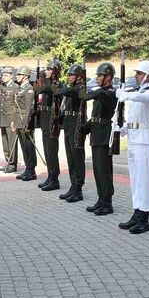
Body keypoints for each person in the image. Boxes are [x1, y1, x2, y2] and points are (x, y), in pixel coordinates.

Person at [116, 60, 149, 234]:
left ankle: (144, 218)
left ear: (148, 75)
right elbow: (134, 117)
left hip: (144, 141)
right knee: (135, 180)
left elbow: (143, 98)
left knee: (144, 181)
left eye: (139, 74)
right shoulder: (138, 92)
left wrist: (125, 94)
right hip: (134, 140)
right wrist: (123, 127)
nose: (136, 76)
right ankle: (136, 212)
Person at [83, 62, 118, 216]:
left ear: (108, 77)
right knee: (97, 169)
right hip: (96, 132)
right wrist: (87, 126)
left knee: (104, 169)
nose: (97, 78)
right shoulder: (102, 91)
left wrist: (87, 94)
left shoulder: (110, 92)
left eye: (100, 75)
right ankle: (101, 199)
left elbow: (102, 95)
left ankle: (107, 202)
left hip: (104, 134)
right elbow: (96, 115)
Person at [57, 64, 87, 202]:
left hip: (77, 124)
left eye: (71, 75)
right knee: (70, 157)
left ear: (79, 77)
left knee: (77, 157)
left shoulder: (80, 89)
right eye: (68, 75)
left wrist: (57, 90)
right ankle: (73, 185)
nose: (68, 77)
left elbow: (71, 92)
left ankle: (78, 189)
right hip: (69, 124)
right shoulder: (71, 89)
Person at [36, 60, 63, 191]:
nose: (45, 72)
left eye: (49, 69)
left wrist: (41, 79)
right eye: (45, 69)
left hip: (53, 122)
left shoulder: (56, 84)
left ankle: (55, 179)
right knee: (47, 151)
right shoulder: (48, 83)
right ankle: (50, 176)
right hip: (45, 121)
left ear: (55, 71)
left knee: (52, 152)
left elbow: (43, 89)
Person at [14, 66, 38, 181]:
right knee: (23, 146)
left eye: (19, 75)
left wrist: (27, 122)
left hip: (25, 121)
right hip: (19, 120)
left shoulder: (28, 89)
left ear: (25, 76)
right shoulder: (20, 88)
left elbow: (29, 108)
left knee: (29, 146)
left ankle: (31, 170)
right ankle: (27, 169)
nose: (17, 77)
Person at [0, 67, 21, 173]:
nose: (3, 77)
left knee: (11, 142)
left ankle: (13, 164)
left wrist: (15, 120)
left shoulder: (15, 87)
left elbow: (17, 105)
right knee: (5, 142)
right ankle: (8, 161)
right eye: (2, 75)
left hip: (11, 119)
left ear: (11, 76)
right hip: (3, 118)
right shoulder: (1, 86)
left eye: (5, 75)